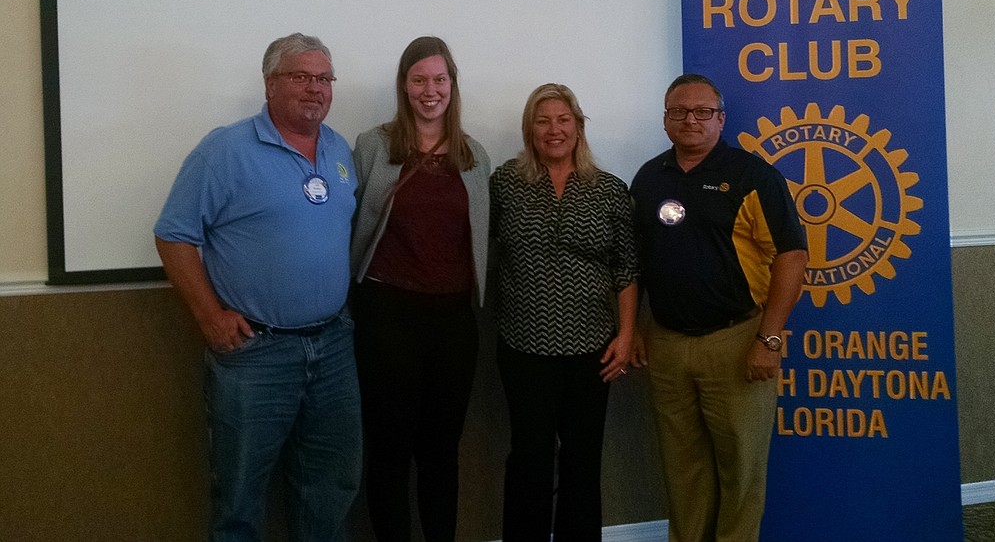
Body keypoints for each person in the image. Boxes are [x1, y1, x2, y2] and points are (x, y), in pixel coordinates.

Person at [154, 33, 361, 542]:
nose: (315, 88)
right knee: (241, 494)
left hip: (333, 346)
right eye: (300, 76)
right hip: (256, 354)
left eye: (324, 78)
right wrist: (209, 318)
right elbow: (173, 235)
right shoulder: (225, 150)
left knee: (331, 484)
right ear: (270, 84)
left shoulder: (339, 149)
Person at [630, 74, 808, 542]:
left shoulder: (754, 176)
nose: (690, 120)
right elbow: (636, 260)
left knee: (740, 470)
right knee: (682, 471)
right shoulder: (648, 178)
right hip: (666, 344)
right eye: (678, 112)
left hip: (736, 343)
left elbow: (792, 257)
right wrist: (636, 329)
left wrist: (768, 340)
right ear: (665, 120)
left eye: (702, 111)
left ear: (721, 119)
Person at [348, 36, 490, 542]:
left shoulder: (475, 157)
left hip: (453, 323)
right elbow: (349, 221)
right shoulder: (374, 145)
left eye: (439, 80)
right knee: (388, 451)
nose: (430, 91)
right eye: (418, 80)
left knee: (440, 452)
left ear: (452, 84)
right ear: (404, 86)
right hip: (386, 316)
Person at [489, 83, 640, 542]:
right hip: (523, 345)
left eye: (563, 119)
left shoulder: (609, 190)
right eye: (542, 120)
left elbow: (626, 269)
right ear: (529, 130)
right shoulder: (504, 183)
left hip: (593, 347)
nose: (554, 130)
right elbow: (478, 250)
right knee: (529, 458)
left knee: (582, 458)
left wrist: (627, 334)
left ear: (578, 125)